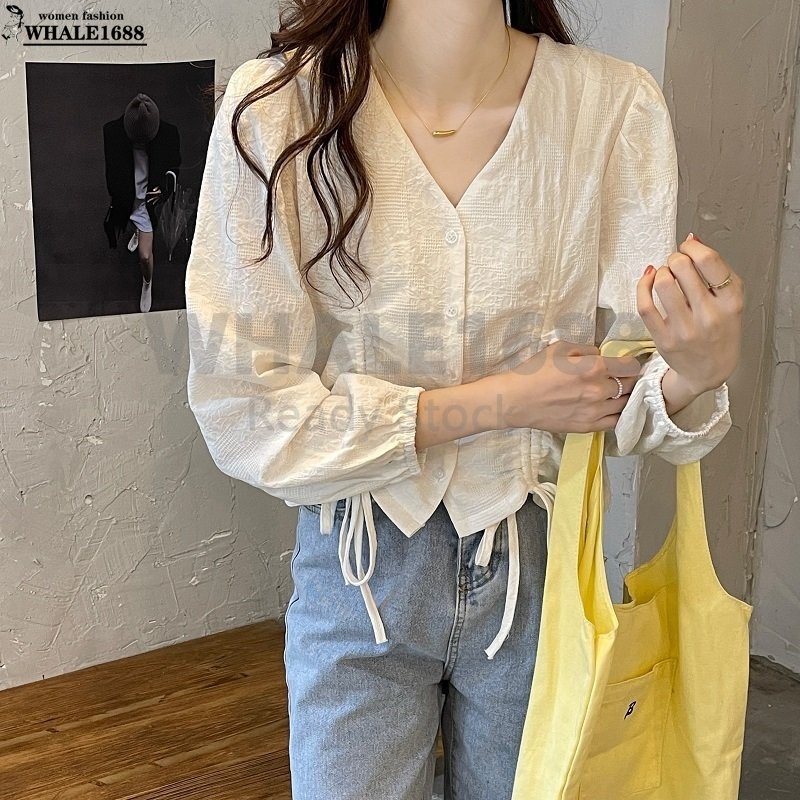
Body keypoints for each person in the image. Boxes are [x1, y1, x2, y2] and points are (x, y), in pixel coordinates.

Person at [184, 1, 744, 798]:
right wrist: (503, 401)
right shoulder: (280, 109)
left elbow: (619, 389)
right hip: (361, 566)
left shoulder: (611, 107)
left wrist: (693, 372)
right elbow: (243, 407)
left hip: (537, 571)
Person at [103, 93, 181, 312]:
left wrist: (163, 189)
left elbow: (174, 168)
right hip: (125, 197)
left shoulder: (169, 134)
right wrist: (120, 196)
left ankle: (147, 282)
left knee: (145, 256)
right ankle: (136, 229)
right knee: (120, 223)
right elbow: (111, 173)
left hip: (147, 203)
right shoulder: (112, 132)